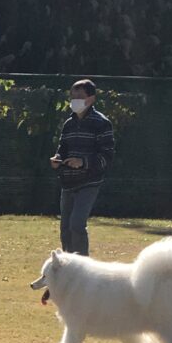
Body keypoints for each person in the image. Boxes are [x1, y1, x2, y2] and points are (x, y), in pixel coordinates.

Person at [49, 78, 115, 257]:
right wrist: (57, 159)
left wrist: (83, 162)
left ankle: (82, 267)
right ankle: (67, 266)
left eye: (79, 97)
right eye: (72, 97)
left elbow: (106, 156)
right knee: (65, 228)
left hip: (89, 182)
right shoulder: (69, 123)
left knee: (77, 225)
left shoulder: (101, 123)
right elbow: (62, 148)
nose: (74, 100)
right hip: (68, 181)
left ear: (91, 99)